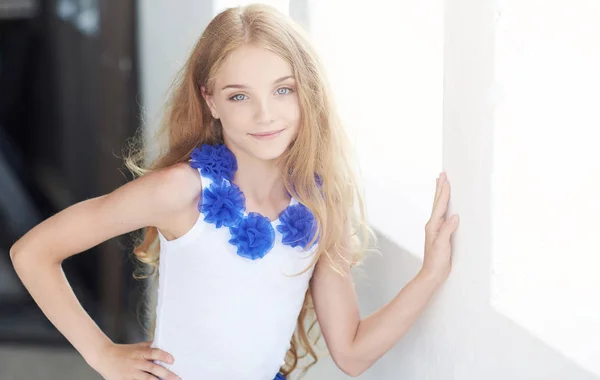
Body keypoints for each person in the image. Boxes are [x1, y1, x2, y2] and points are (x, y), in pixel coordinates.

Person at [9, 3, 460, 380]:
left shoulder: (320, 205)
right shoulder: (179, 191)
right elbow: (32, 252)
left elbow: (352, 352)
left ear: (308, 94)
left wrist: (430, 275)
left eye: (283, 90)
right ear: (211, 101)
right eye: (240, 96)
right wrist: (101, 353)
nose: (265, 115)